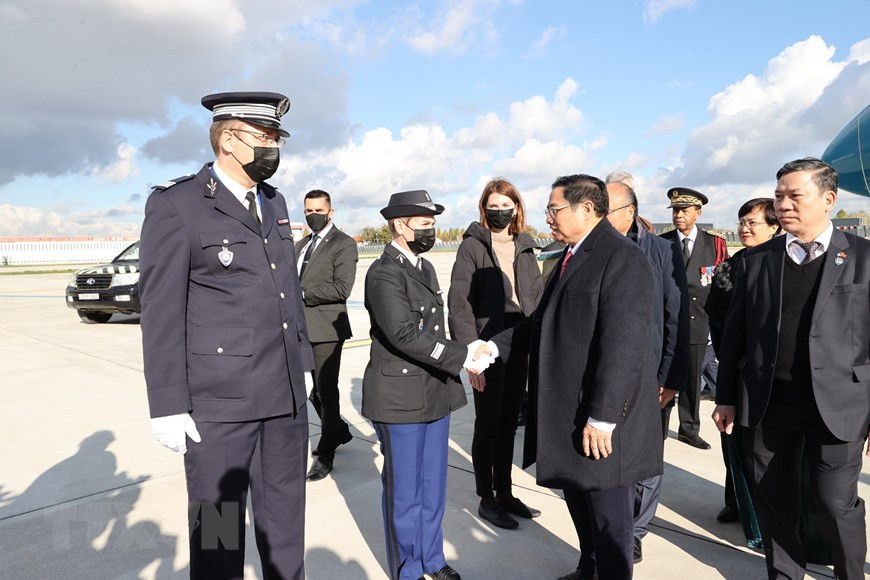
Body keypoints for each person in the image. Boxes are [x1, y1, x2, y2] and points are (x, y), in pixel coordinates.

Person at [140, 92, 313, 579]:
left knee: (285, 531)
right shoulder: (177, 205)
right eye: (265, 138)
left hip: (283, 403)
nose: (273, 148)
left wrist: (303, 363)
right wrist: (168, 403)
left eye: (276, 138)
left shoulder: (274, 202)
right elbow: (161, 310)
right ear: (229, 139)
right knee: (218, 539)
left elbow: (288, 292)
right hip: (218, 410)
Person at [481, 174, 663, 580]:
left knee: (609, 520)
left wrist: (603, 416)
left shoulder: (621, 258)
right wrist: (493, 347)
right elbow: (542, 324)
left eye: (554, 209)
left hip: (601, 421)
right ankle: (589, 569)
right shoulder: (569, 256)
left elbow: (624, 344)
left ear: (586, 208)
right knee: (581, 505)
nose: (548, 217)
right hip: (571, 413)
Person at [714, 158, 870, 579]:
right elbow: (736, 335)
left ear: (829, 200)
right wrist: (726, 396)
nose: (783, 204)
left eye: (794, 195)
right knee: (774, 502)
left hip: (840, 405)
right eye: (779, 194)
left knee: (835, 504)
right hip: (769, 404)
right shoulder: (756, 260)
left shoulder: (864, 258)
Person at [362, 190, 488, 580]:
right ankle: (408, 569)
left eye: (433, 222)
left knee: (433, 487)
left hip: (434, 392)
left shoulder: (424, 268)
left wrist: (468, 351)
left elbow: (435, 328)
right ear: (401, 225)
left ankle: (432, 558)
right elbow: (402, 334)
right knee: (405, 494)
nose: (431, 229)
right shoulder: (383, 272)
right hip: (399, 399)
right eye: (425, 223)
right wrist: (461, 356)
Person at [447, 178, 544, 530]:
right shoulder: (472, 246)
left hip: (520, 341)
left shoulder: (526, 245)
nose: (500, 210)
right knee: (488, 424)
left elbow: (536, 294)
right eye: (494, 205)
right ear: (484, 208)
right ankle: (486, 497)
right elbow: (459, 303)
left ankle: (505, 491)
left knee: (508, 424)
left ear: (516, 207)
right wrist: (471, 356)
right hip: (486, 344)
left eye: (507, 204)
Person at [605, 178, 690, 565]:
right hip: (612, 375)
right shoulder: (596, 249)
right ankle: (617, 524)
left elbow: (676, 318)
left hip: (653, 376)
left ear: (630, 212)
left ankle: (636, 530)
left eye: (606, 210)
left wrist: (670, 378)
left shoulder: (662, 251)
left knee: (648, 457)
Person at [705, 197, 779, 535]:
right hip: (735, 370)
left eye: (752, 223)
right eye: (742, 222)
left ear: (775, 227)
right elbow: (719, 324)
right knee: (733, 443)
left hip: (774, 377)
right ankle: (735, 501)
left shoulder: (783, 267)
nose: (744, 229)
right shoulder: (729, 269)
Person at [295, 189, 358, 481]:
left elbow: (342, 288)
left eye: (318, 210)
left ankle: (326, 453)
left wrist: (303, 294)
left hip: (327, 329)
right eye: (308, 211)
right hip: (299, 328)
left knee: (325, 391)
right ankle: (339, 431)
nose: (313, 216)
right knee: (307, 388)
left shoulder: (343, 244)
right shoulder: (301, 245)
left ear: (330, 211)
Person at [660, 188, 728, 450]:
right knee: (664, 379)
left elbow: (723, 284)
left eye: (684, 210)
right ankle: (660, 428)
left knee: (691, 381)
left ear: (698, 213)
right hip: (668, 323)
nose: (678, 215)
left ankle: (689, 429)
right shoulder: (662, 242)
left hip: (699, 323)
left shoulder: (714, 244)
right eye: (675, 210)